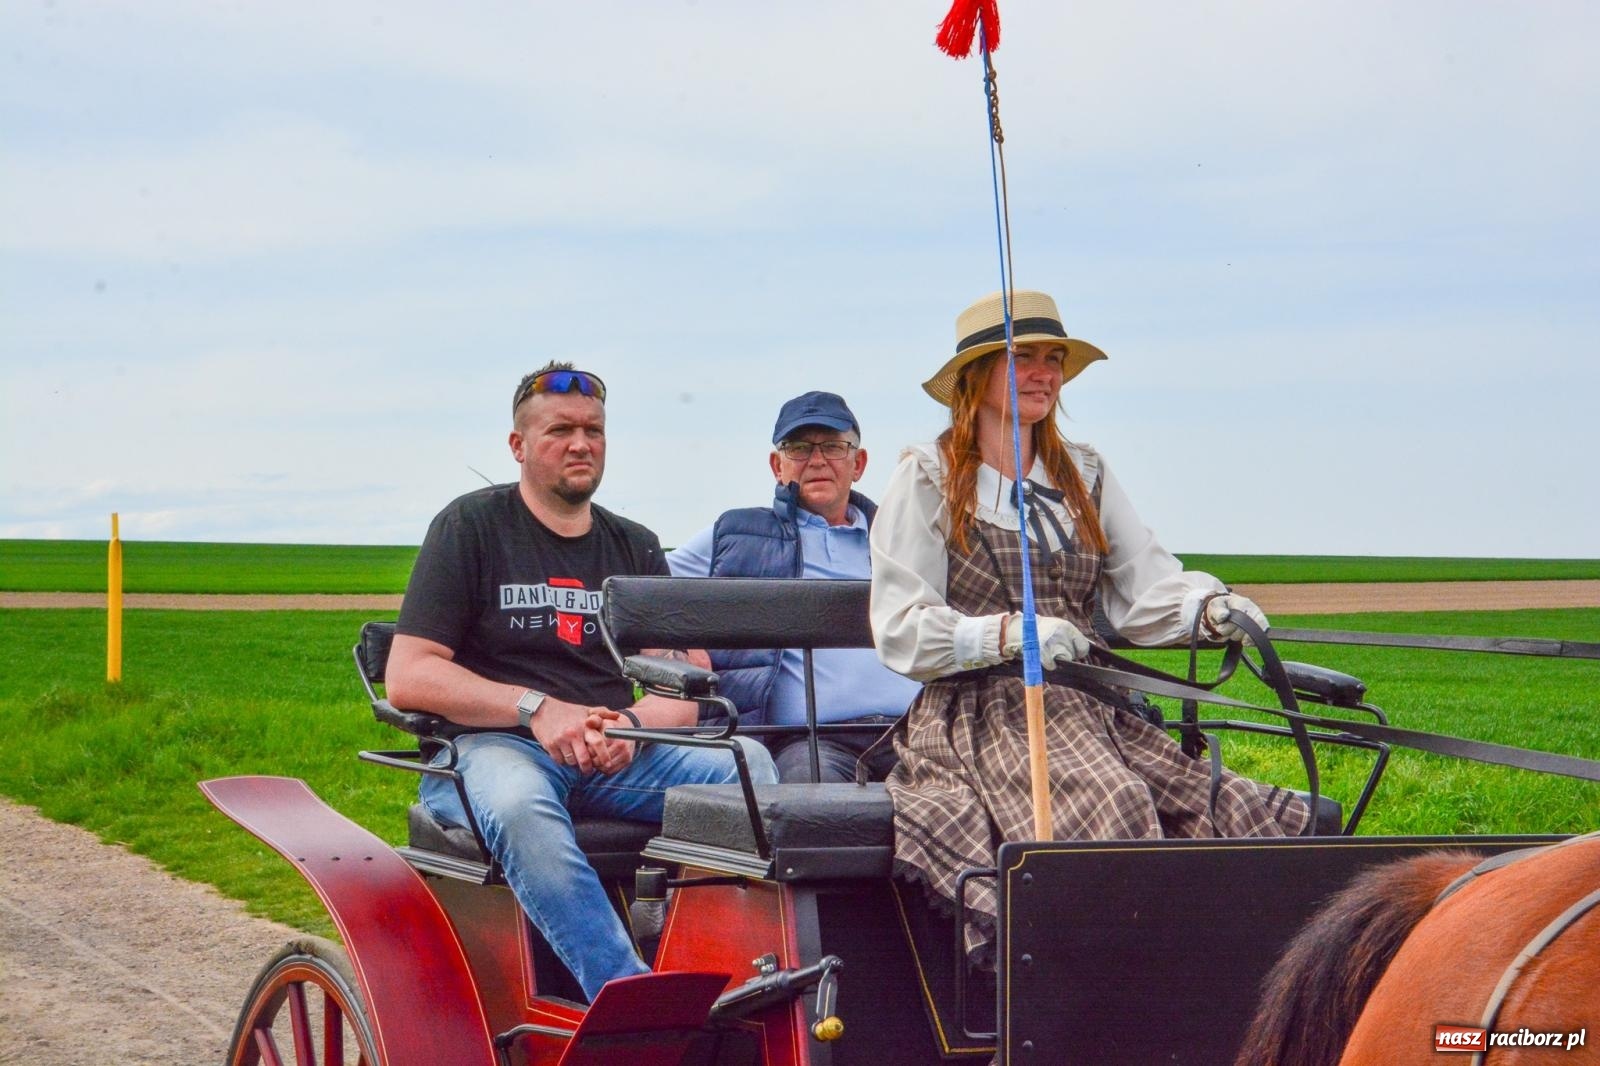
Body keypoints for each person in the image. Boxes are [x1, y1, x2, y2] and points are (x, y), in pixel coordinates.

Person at [869, 290, 1309, 964]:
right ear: (973, 376)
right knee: (1113, 803)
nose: (1045, 372)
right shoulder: (927, 478)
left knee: (1241, 808)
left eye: (1054, 359)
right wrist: (1010, 635)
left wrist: (1210, 610)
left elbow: (1144, 588)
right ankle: (1096, 996)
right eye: (1024, 357)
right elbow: (901, 626)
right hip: (980, 713)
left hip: (1092, 708)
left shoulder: (1085, 474)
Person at [384, 362, 777, 1003]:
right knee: (519, 806)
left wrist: (631, 726)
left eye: (593, 430)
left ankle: (722, 978)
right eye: (559, 430)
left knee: (751, 770)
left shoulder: (635, 547)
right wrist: (536, 708)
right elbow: (410, 673)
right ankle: (633, 1003)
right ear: (518, 445)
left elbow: (689, 680)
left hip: (613, 757)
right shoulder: (470, 528)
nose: (580, 443)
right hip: (495, 749)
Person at [669, 392, 921, 783]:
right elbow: (643, 587)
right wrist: (682, 644)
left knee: (970, 800)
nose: (817, 460)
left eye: (834, 447)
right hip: (810, 741)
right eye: (799, 448)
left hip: (913, 736)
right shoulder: (733, 536)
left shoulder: (902, 539)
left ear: (859, 463)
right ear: (777, 464)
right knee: (812, 807)